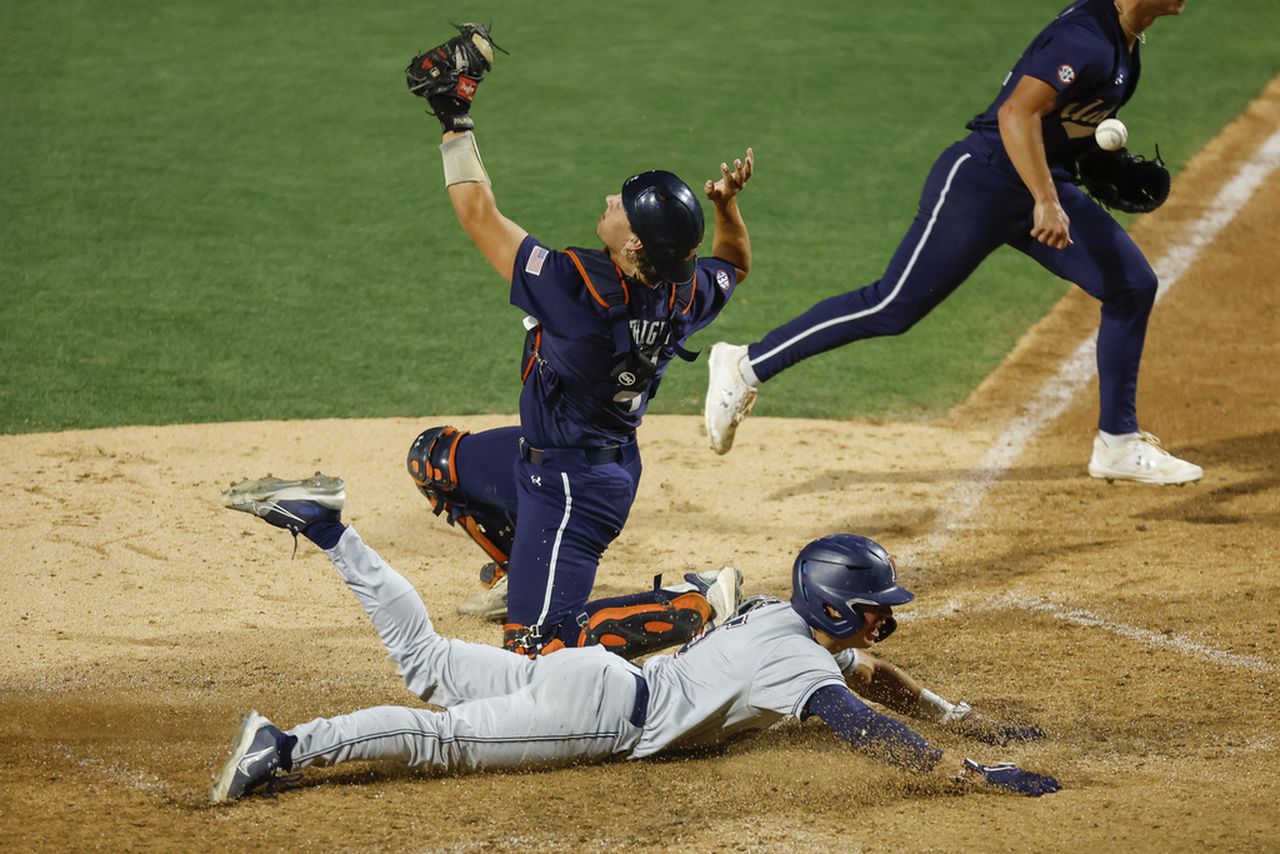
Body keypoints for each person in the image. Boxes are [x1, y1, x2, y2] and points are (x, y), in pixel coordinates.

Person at [209, 474, 1060, 803]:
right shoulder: (796, 659)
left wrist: (958, 716)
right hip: (604, 716)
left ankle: (331, 532)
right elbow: (866, 722)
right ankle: (284, 748)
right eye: (875, 604)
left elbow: (879, 678)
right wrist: (968, 772)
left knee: (428, 660)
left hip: (594, 675)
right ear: (835, 609)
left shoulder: (780, 617)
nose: (885, 614)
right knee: (442, 743)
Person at [704, 0, 1201, 486]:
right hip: (981, 183)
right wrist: (1047, 201)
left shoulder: (1126, 46)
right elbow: (1015, 114)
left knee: (1131, 284)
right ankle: (746, 365)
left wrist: (1088, 163)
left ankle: (1118, 442)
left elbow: (1063, 124)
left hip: (1040, 184)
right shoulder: (1086, 38)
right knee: (893, 305)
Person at [403, 24, 755, 656]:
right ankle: (522, 572)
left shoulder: (577, 289)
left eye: (622, 204)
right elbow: (734, 265)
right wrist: (727, 207)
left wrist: (454, 118)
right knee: (433, 460)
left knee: (536, 649)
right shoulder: (683, 290)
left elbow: (478, 213)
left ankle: (698, 601)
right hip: (571, 459)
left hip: (571, 489)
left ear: (635, 244)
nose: (609, 199)